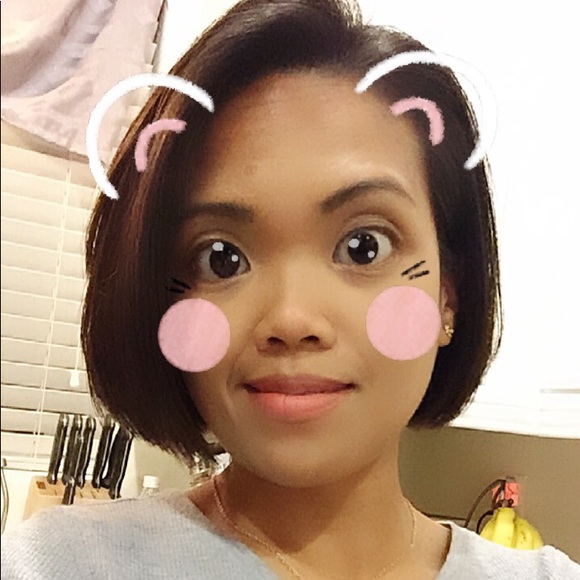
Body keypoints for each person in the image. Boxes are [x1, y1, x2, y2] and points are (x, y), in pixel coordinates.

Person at [2, 0, 579, 578]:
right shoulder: (59, 566)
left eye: (364, 247)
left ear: (447, 297)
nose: (292, 318)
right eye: (222, 259)